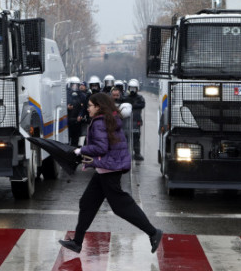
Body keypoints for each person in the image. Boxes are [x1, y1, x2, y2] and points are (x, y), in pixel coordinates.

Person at [58, 92, 163, 255]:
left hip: (108, 168)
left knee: (121, 206)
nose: (87, 109)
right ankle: (77, 242)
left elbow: (101, 148)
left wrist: (81, 150)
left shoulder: (100, 122)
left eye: (90, 106)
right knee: (87, 202)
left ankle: (153, 232)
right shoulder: (108, 118)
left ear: (98, 107)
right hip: (105, 168)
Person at [123, 79, 146, 161]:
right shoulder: (126, 97)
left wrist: (133, 105)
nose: (132, 90)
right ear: (128, 88)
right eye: (131, 88)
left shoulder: (140, 98)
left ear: (137, 89)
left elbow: (142, 105)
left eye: (134, 88)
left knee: (136, 137)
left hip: (136, 120)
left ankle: (137, 153)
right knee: (125, 136)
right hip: (127, 120)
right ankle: (125, 153)